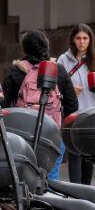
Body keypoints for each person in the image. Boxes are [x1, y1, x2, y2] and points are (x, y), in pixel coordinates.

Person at [2, 30, 78, 180]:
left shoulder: (16, 71)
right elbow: (72, 105)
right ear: (46, 46)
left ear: (24, 48)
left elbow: (3, 103)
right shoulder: (59, 70)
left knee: (23, 176)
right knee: (51, 177)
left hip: (22, 134)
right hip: (53, 134)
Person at [57, 24, 95, 184]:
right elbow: (55, 88)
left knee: (88, 157)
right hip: (72, 116)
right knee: (74, 155)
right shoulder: (63, 60)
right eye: (78, 38)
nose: (81, 42)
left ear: (90, 40)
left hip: (92, 114)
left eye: (85, 38)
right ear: (73, 40)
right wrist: (69, 89)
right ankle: (75, 194)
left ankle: (85, 193)